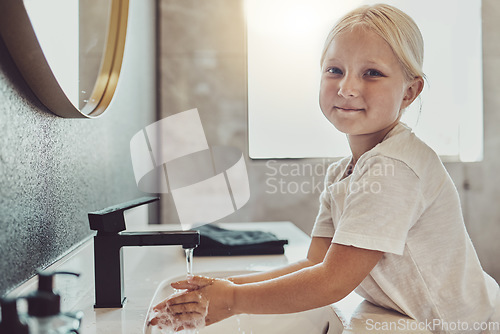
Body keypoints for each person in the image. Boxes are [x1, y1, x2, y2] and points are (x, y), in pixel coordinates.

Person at [150, 4, 500, 333]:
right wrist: (223, 288)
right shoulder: (344, 174)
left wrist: (234, 300)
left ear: (409, 92)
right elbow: (315, 265)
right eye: (335, 70)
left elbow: (332, 282)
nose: (347, 88)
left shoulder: (393, 168)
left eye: (372, 73)